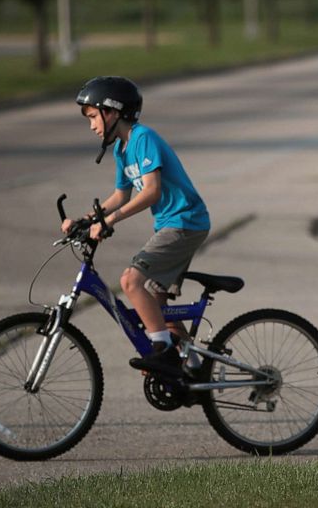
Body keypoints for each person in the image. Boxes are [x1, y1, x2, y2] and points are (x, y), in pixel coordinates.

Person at [63, 76, 210, 384]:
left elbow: (152, 191)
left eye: (93, 117)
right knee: (155, 308)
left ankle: (164, 354)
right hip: (173, 224)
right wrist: (87, 220)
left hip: (184, 222)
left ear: (112, 112)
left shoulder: (143, 138)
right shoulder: (122, 150)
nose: (91, 125)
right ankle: (195, 370)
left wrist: (111, 221)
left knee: (131, 281)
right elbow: (121, 195)